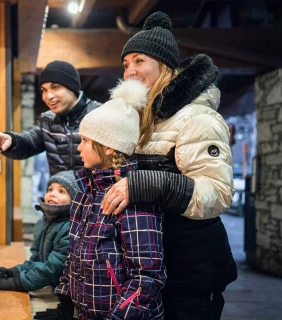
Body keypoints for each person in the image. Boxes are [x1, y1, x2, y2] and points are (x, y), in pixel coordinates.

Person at [101, 12, 237, 320]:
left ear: (164, 66)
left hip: (191, 269)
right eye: (126, 64)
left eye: (139, 61)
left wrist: (147, 184)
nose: (130, 72)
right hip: (153, 266)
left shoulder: (198, 118)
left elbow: (217, 194)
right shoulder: (141, 119)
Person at [36, 79, 165, 320]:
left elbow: (146, 278)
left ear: (108, 147)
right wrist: (65, 305)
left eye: (85, 140)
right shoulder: (85, 191)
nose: (78, 148)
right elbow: (73, 258)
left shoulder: (131, 198)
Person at [0, 61, 101, 175]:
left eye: (55, 87)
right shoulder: (47, 119)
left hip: (99, 193)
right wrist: (11, 141)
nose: (48, 96)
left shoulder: (101, 114)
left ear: (72, 88)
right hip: (60, 192)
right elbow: (30, 141)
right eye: (43, 90)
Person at [0, 170, 79, 293]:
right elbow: (37, 260)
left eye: (61, 191)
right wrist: (15, 272)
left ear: (74, 200)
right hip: (54, 287)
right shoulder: (45, 221)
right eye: (50, 189)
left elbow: (52, 269)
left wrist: (18, 282)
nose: (52, 194)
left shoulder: (70, 228)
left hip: (68, 293)